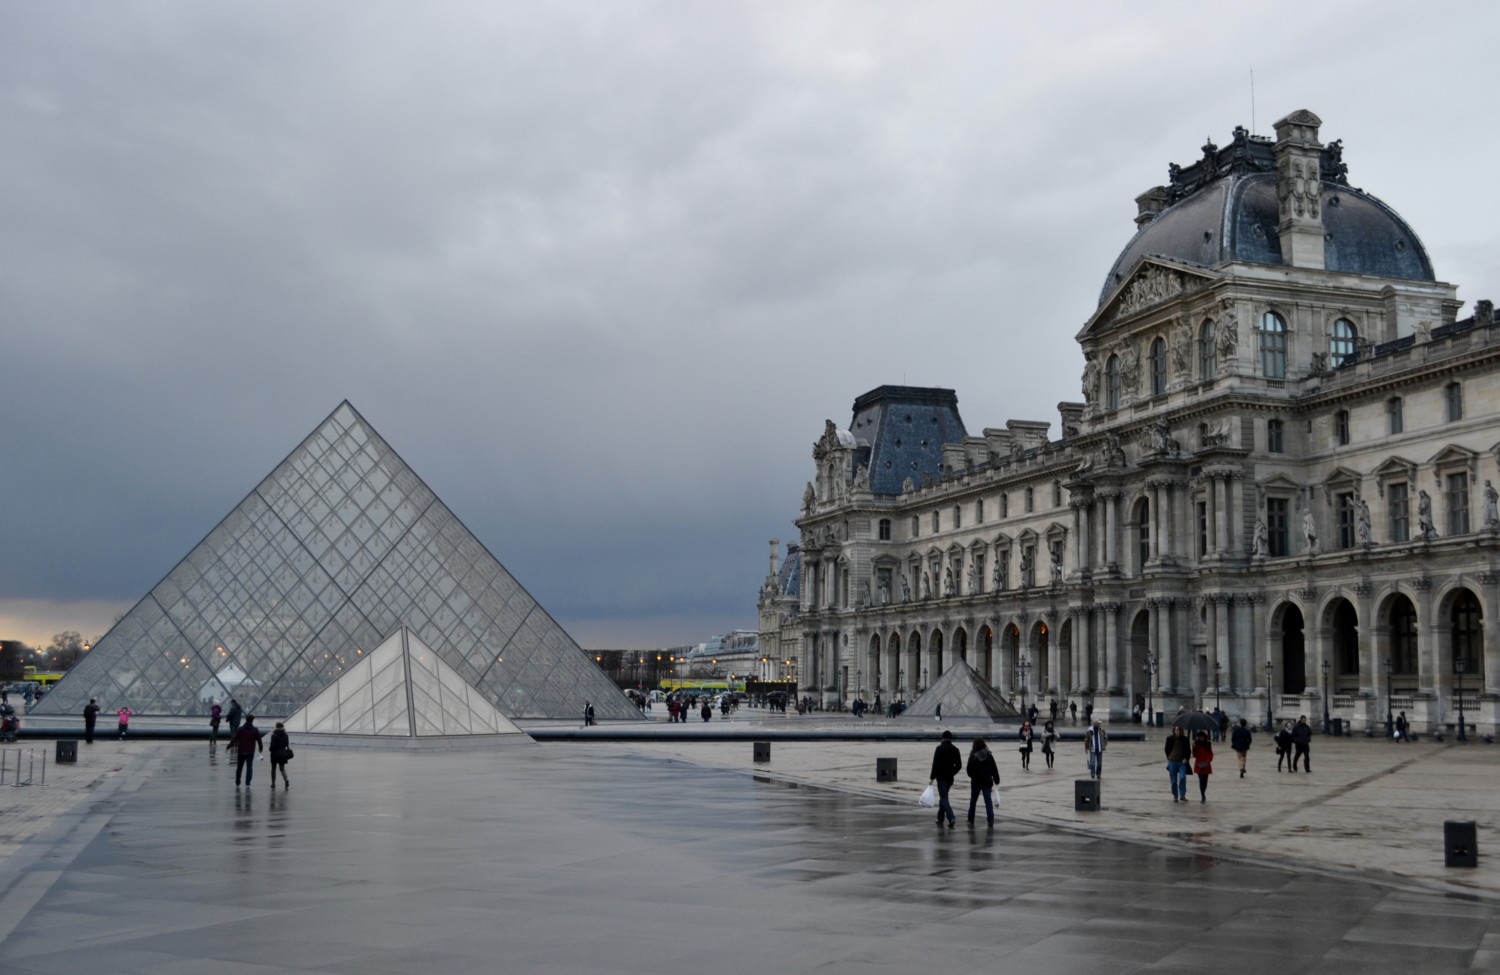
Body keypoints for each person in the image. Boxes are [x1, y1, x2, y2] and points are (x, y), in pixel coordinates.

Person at [928, 730, 962, 828]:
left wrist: (932, 778)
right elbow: (959, 765)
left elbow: (935, 764)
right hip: (950, 778)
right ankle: (940, 818)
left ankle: (951, 817)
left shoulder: (939, 749)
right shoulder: (955, 749)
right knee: (944, 797)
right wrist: (952, 772)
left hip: (941, 778)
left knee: (943, 798)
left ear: (942, 738)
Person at [965, 737, 1000, 826]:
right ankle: (990, 819)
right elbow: (994, 768)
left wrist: (973, 776)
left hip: (976, 782)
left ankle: (970, 818)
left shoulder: (973, 756)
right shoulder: (988, 755)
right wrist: (996, 779)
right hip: (987, 781)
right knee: (988, 801)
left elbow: (969, 770)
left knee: (973, 801)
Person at [227, 713, 264, 787]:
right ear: (252, 720)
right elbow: (259, 740)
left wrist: (228, 746)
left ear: (246, 720)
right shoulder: (255, 730)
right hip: (250, 751)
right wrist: (260, 748)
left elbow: (235, 739)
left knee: (239, 768)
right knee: (249, 767)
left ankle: (237, 782)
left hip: (241, 751)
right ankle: (248, 783)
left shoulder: (240, 729)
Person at [1164, 725, 1191, 802]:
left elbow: (1188, 750)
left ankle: (1182, 795)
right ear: (1174, 731)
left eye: (1179, 730)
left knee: (1182, 778)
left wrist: (1186, 758)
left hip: (1182, 762)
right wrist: (1169, 757)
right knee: (1173, 781)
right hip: (1172, 761)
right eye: (1176, 730)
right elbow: (1166, 749)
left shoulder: (1185, 739)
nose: (1178, 731)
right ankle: (1175, 795)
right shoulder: (1169, 739)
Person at [268, 721, 292, 789]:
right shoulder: (286, 735)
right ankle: (286, 780)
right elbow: (287, 744)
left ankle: (273, 784)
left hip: (274, 754)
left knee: (273, 769)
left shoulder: (274, 735)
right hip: (283, 754)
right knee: (282, 769)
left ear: (276, 727)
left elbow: (272, 746)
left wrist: (270, 749)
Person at [1192, 731, 1214, 802]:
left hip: (1206, 765)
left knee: (1205, 781)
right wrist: (1193, 748)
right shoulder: (1196, 744)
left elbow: (1211, 753)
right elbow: (1194, 755)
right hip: (1199, 765)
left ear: (1204, 737)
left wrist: (1209, 759)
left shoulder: (1208, 744)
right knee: (1201, 780)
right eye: (1199, 737)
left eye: (1202, 737)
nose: (1200, 738)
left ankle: (1203, 792)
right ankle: (1202, 795)